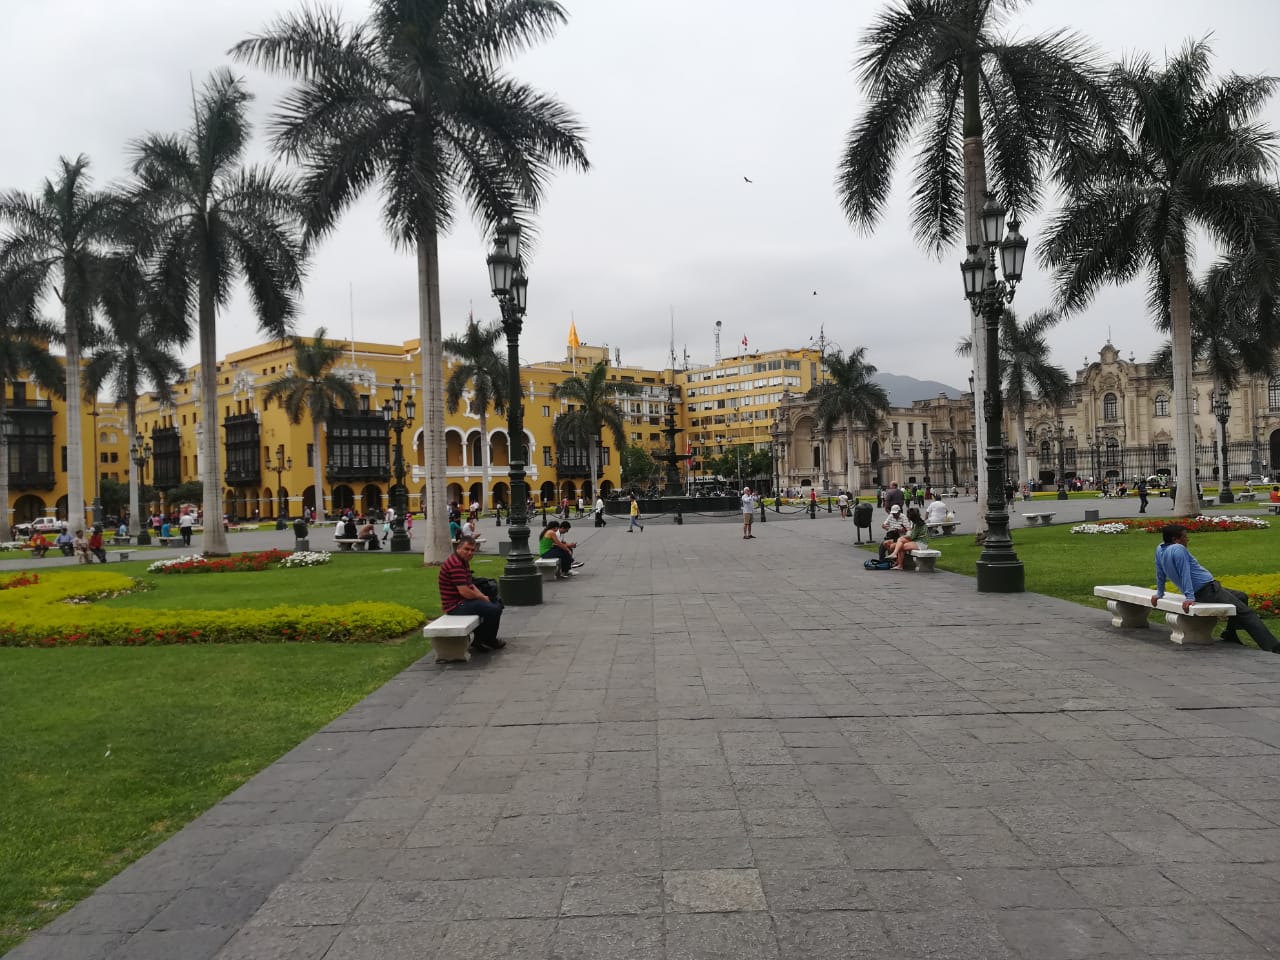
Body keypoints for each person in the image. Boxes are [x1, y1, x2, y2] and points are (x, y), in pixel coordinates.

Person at [1152, 523, 1280, 652]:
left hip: (1208, 589)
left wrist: (1160, 593)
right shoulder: (1178, 549)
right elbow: (1185, 573)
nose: (1188, 539)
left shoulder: (1160, 549)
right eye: (1185, 537)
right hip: (1208, 590)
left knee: (1241, 596)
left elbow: (1160, 572)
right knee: (1246, 613)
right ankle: (1273, 647)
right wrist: (1189, 597)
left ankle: (1230, 633)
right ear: (1175, 539)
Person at [438, 535, 506, 652]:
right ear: (458, 548)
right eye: (467, 549)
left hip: (463, 601)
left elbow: (471, 585)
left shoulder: (463, 561)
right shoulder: (455, 564)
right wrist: (482, 598)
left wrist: (483, 597)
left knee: (497, 603)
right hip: (455, 605)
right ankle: (487, 640)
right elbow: (464, 592)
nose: (470, 552)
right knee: (493, 609)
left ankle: (482, 639)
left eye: (472, 550)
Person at [889, 506, 929, 570]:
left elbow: (912, 537)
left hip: (921, 543)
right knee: (900, 541)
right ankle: (897, 560)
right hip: (916, 541)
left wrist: (903, 536)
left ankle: (899, 563)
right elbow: (912, 536)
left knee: (901, 545)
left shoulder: (919, 524)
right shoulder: (915, 523)